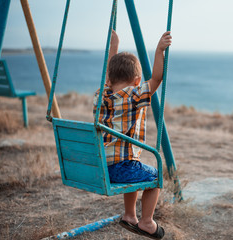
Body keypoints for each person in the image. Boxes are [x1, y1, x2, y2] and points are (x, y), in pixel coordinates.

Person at [93, 30, 172, 239]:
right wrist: (159, 51)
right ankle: (146, 221)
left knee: (134, 164)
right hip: (120, 169)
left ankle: (130, 215)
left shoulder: (100, 96)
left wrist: (113, 48)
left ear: (109, 78)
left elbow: (109, 76)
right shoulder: (135, 96)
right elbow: (157, 78)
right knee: (155, 176)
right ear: (137, 81)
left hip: (100, 167)